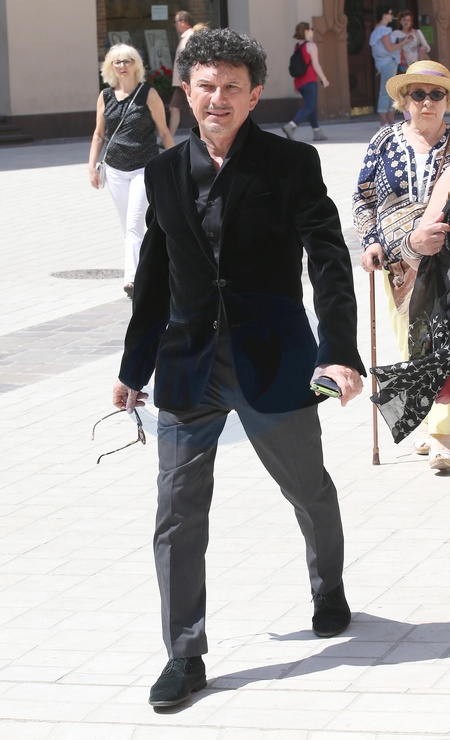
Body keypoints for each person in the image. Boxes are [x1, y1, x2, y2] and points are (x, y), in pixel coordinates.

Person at [113, 28, 365, 708]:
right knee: (176, 511)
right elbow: (155, 275)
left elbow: (329, 261)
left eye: (231, 87)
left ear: (255, 95)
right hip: (188, 366)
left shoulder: (291, 164)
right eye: (205, 86)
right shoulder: (164, 172)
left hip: (274, 359)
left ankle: (328, 587)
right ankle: (184, 654)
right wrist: (134, 366)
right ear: (185, 91)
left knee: (308, 489)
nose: (217, 99)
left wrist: (338, 350)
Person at [353, 60, 450, 469]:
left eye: (436, 94)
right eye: (418, 94)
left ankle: (443, 433)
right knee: (416, 345)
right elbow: (363, 198)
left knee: (445, 345)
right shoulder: (384, 141)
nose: (427, 102)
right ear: (404, 100)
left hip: (446, 263)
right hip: (398, 264)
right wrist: (371, 241)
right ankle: (429, 423)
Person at [88, 44, 174, 299]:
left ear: (136, 64)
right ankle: (150, 270)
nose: (122, 66)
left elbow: (164, 131)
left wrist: (176, 162)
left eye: (127, 61)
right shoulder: (105, 96)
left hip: (143, 168)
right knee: (128, 227)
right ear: (110, 67)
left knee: (135, 223)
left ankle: (133, 279)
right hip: (115, 169)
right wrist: (92, 165)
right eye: (117, 62)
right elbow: (99, 134)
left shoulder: (148, 94)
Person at [282, 21, 329, 142]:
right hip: (310, 80)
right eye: (311, 29)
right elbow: (316, 65)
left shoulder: (298, 46)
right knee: (309, 106)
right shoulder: (311, 45)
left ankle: (317, 132)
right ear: (306, 31)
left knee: (312, 106)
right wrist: (324, 79)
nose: (313, 31)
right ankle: (291, 126)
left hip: (299, 82)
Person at [369, 6, 411, 127]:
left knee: (387, 90)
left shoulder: (377, 29)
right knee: (387, 91)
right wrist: (404, 42)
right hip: (388, 62)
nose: (392, 16)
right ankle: (385, 121)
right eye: (390, 13)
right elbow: (389, 48)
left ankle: (388, 121)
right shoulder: (384, 30)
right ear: (384, 15)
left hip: (383, 63)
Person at [169, 10, 194, 137]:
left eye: (176, 21)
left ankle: (208, 136)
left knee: (196, 110)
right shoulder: (185, 37)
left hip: (186, 82)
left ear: (183, 21)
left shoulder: (190, 37)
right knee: (174, 107)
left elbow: (191, 61)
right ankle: (169, 138)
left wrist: (187, 80)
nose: (175, 25)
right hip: (181, 83)